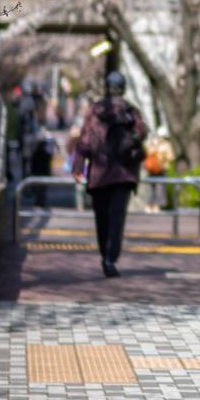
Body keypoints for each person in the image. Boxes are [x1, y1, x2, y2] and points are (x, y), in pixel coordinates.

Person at [73, 70, 147, 278]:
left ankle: (104, 253)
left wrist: (78, 166)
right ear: (123, 88)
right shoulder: (131, 111)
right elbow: (141, 134)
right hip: (123, 173)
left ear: (106, 87)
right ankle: (110, 258)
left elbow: (85, 141)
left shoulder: (94, 112)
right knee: (117, 217)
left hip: (99, 173)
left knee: (102, 218)